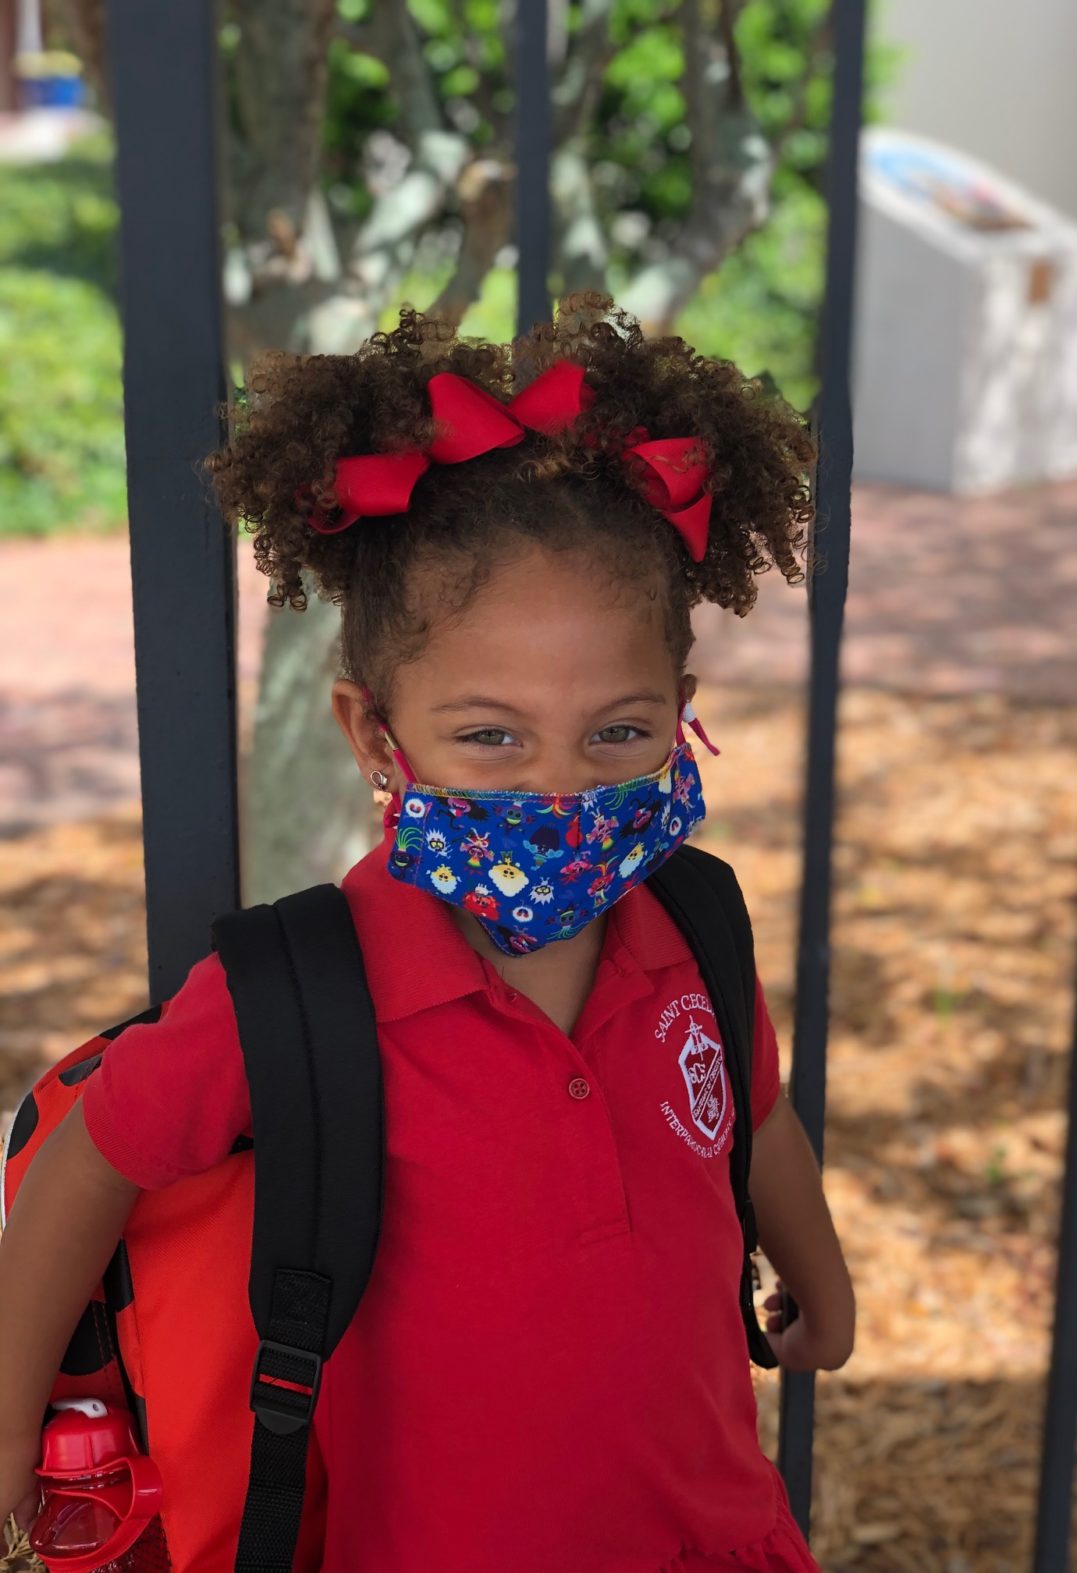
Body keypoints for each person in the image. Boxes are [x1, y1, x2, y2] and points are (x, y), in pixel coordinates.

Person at [0, 293, 855, 1571]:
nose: (560, 788)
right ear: (373, 733)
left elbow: (751, 1108)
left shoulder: (691, 922)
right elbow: (85, 1163)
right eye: (490, 736)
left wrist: (821, 1284)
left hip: (719, 1536)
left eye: (618, 731)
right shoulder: (294, 997)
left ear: (681, 712)